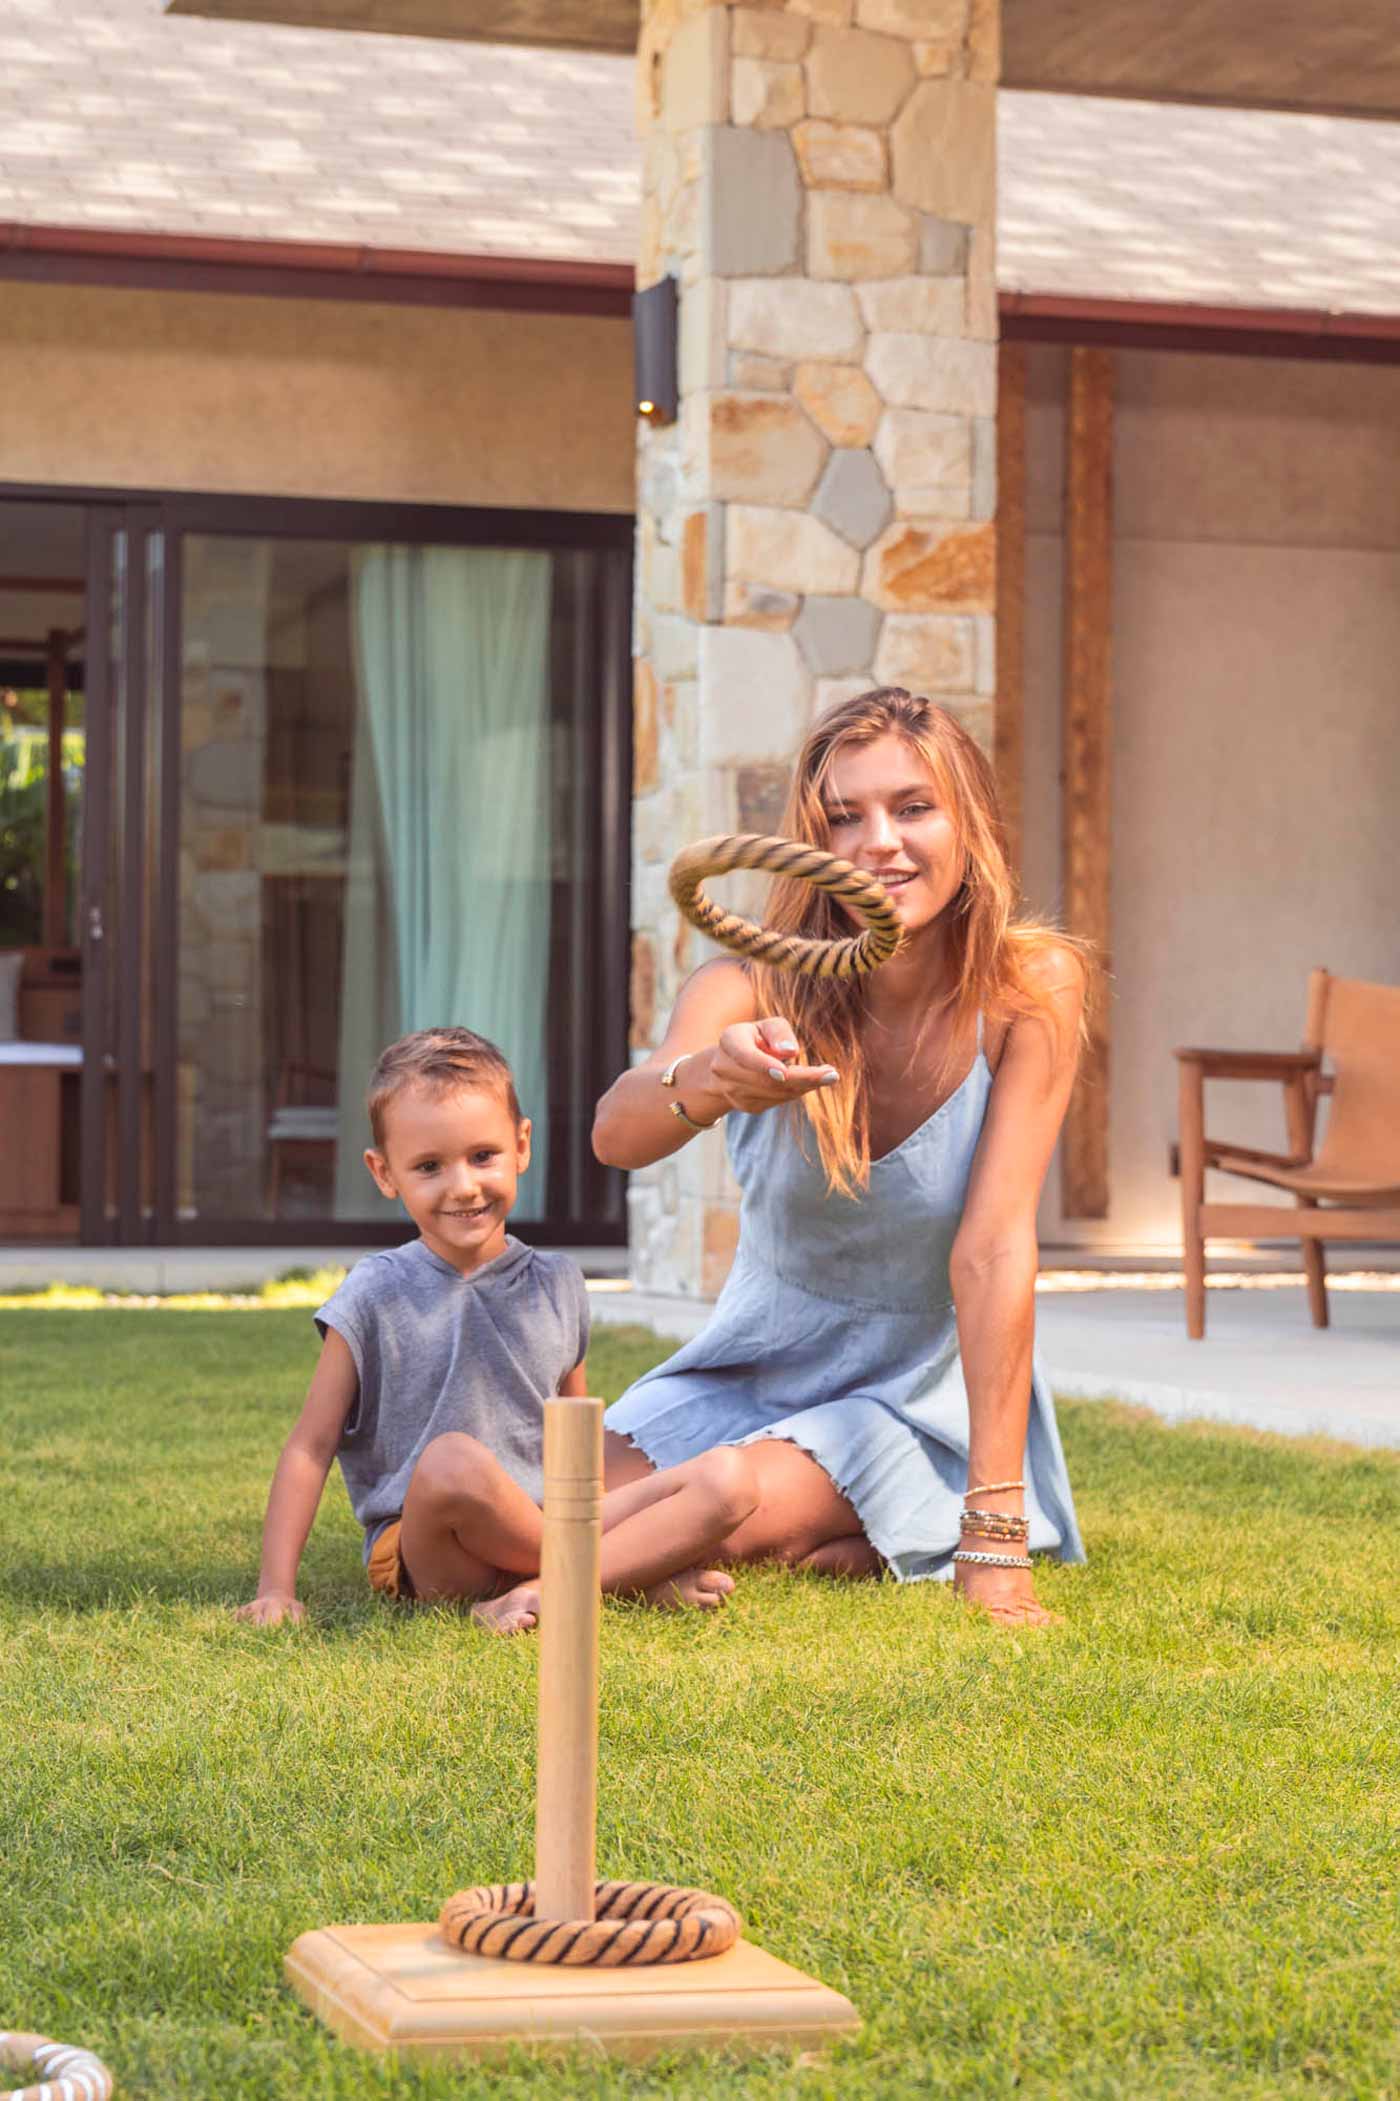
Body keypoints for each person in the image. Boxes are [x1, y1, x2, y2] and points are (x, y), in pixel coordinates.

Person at [592, 688, 1090, 1629]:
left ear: (969, 821)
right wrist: (711, 1078)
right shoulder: (747, 986)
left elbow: (993, 1250)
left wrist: (994, 1535)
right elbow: (616, 1133)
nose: (879, 843)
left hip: (909, 1399)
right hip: (747, 1370)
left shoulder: (1032, 989)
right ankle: (832, 1545)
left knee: (725, 1495)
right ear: (810, 842)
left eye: (913, 807)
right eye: (844, 817)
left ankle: (866, 1522)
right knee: (562, 1495)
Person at [235, 1026, 747, 1634]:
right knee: (452, 1461)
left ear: (521, 1145)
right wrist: (276, 1589)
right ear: (385, 1172)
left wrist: (605, 1509)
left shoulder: (558, 1283)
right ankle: (614, 1573)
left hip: (545, 1521)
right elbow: (309, 1447)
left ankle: (541, 1589)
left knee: (728, 1479)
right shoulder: (372, 1293)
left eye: (483, 1156)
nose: (464, 1186)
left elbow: (575, 1444)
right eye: (429, 1167)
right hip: (435, 1548)